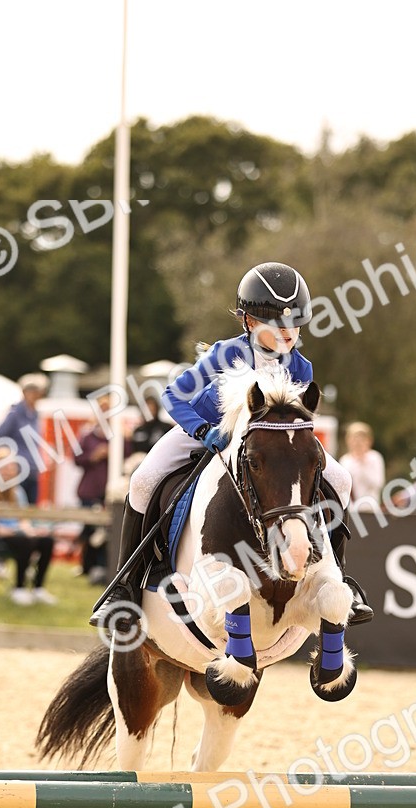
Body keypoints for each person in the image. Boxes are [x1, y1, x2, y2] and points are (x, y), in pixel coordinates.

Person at [90, 262, 374, 632]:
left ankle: (339, 576)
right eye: (278, 325)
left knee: (342, 478)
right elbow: (175, 396)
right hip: (208, 430)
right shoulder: (226, 354)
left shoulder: (302, 368)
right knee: (143, 480)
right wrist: (202, 429)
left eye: (296, 324)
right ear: (251, 323)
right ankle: (124, 586)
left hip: (263, 450)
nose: (289, 333)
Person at [0, 449, 57, 606]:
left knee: (46, 540)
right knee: (23, 541)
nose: (8, 471)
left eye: (11, 467)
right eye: (4, 468)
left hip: (17, 534)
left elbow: (23, 520)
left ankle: (38, 588)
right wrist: (14, 531)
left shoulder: (18, 491)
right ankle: (19, 588)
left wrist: (32, 531)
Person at [75, 393, 134, 585]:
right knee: (89, 530)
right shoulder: (88, 434)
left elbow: (129, 456)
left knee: (107, 532)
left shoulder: (121, 435)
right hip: (90, 489)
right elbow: (77, 458)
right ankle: (86, 565)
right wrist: (94, 456)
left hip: (111, 491)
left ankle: (102, 567)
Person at [0, 373, 49, 504]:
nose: (36, 395)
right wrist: (9, 456)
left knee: (31, 512)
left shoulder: (35, 415)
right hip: (17, 472)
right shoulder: (15, 414)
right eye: (32, 391)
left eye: (38, 391)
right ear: (25, 392)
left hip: (32, 471)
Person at [340, 422, 386, 506]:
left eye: (362, 439)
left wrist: (363, 466)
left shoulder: (375, 458)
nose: (358, 443)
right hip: (351, 508)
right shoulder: (345, 460)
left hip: (370, 507)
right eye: (354, 439)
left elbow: (378, 483)